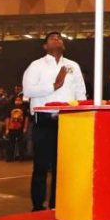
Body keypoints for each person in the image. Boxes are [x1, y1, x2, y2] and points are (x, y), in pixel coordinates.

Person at [23, 32, 87, 211]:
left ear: (64, 45)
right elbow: (28, 91)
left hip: (68, 121)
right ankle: (38, 207)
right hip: (44, 120)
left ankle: (58, 205)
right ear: (45, 46)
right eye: (52, 38)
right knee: (41, 166)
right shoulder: (36, 65)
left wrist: (81, 116)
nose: (57, 39)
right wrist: (54, 86)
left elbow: (80, 93)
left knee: (63, 166)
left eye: (59, 38)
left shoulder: (73, 66)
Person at [5, 95, 29, 162]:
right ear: (14, 101)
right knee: (10, 143)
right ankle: (10, 158)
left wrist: (25, 128)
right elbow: (7, 118)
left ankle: (21, 157)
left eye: (19, 100)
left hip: (21, 128)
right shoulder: (10, 107)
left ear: (21, 101)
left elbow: (26, 119)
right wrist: (7, 128)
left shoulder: (24, 108)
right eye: (16, 100)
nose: (18, 101)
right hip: (11, 127)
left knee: (21, 143)